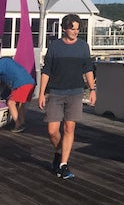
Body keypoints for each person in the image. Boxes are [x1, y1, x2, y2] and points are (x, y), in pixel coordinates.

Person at [38, 13, 96, 180]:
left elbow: (88, 69)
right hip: (56, 92)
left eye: (78, 29)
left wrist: (92, 89)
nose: (76, 32)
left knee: (69, 128)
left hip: (76, 93)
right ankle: (58, 152)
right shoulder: (55, 46)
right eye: (73, 29)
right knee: (52, 131)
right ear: (64, 29)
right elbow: (46, 71)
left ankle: (63, 164)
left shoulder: (83, 47)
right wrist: (41, 93)